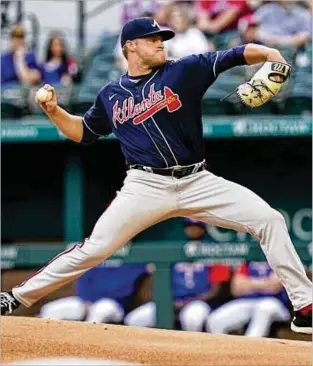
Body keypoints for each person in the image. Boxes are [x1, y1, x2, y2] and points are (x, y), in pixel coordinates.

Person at [1, 17, 311, 335]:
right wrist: (54, 111)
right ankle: (14, 298)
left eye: (161, 38)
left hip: (197, 181)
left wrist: (272, 53)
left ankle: (304, 307)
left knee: (269, 220)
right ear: (130, 47)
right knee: (93, 249)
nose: (160, 42)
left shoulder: (184, 70)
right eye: (152, 39)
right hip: (145, 184)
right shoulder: (110, 95)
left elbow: (237, 53)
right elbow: (82, 132)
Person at [124, 219, 232, 331]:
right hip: (172, 301)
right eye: (188, 225)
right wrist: (166, 301)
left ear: (203, 228)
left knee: (192, 319)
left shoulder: (214, 251)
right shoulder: (174, 250)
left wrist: (188, 302)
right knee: (134, 320)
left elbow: (217, 289)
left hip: (198, 302)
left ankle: (191, 348)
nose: (192, 229)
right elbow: (157, 281)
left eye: (196, 225)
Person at [38, 262, 149, 324]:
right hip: (86, 301)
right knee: (50, 310)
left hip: (114, 305)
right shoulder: (98, 256)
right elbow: (83, 281)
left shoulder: (133, 261)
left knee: (101, 310)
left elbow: (126, 290)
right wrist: (87, 301)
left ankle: (88, 350)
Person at [206, 261, 292, 337]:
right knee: (214, 321)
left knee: (263, 308)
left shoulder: (278, 254)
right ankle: (223, 353)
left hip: (276, 303)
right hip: (248, 301)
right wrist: (265, 283)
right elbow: (236, 289)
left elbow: (275, 286)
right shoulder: (249, 258)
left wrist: (249, 283)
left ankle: (250, 349)